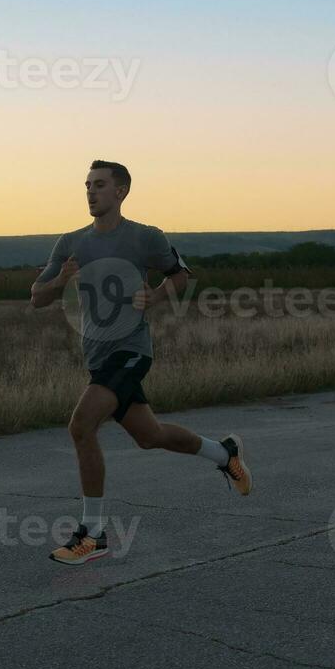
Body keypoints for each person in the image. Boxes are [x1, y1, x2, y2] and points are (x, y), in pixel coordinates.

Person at [31, 160, 253, 566]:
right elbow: (37, 297)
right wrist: (61, 281)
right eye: (86, 185)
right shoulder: (70, 242)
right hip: (98, 354)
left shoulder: (145, 237)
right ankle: (223, 453)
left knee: (81, 425)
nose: (90, 192)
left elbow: (181, 275)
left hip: (133, 348)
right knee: (149, 435)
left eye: (99, 185)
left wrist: (157, 295)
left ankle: (93, 534)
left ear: (121, 192)